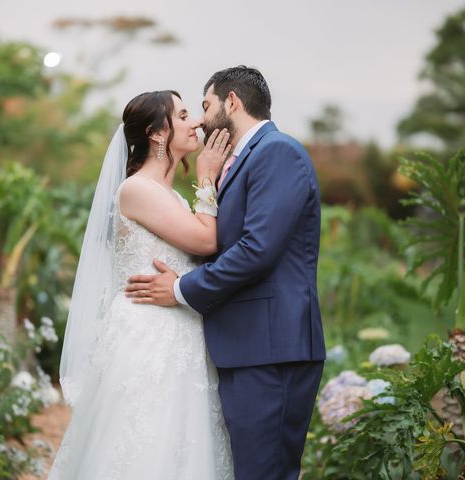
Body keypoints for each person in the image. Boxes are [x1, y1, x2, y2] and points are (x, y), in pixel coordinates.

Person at [126, 66, 326, 480]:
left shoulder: (278, 152)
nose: (199, 120)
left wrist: (180, 288)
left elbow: (257, 250)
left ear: (231, 102)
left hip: (272, 348)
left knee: (264, 472)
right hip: (247, 347)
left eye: (204, 106)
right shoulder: (241, 161)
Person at [48, 90, 234, 479]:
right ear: (156, 133)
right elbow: (204, 241)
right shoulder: (136, 190)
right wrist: (206, 177)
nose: (196, 122)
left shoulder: (173, 199)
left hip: (181, 333)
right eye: (183, 115)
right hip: (147, 338)